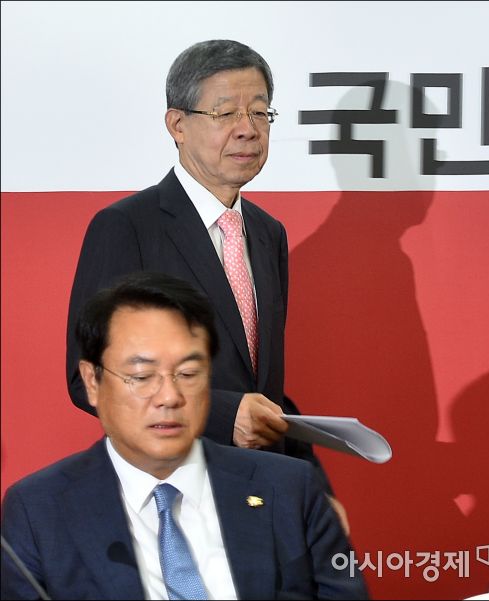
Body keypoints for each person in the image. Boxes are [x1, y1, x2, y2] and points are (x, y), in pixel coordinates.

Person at [2, 272, 368, 600]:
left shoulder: (290, 489)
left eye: (189, 373)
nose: (169, 397)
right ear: (92, 381)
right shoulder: (38, 511)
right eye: (142, 376)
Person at [66, 39, 329, 490]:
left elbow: (258, 385)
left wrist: (314, 483)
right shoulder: (128, 226)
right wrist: (223, 415)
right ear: (178, 125)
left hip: (260, 490)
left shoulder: (268, 233)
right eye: (225, 113)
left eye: (259, 112)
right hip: (169, 483)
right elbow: (88, 376)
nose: (247, 129)